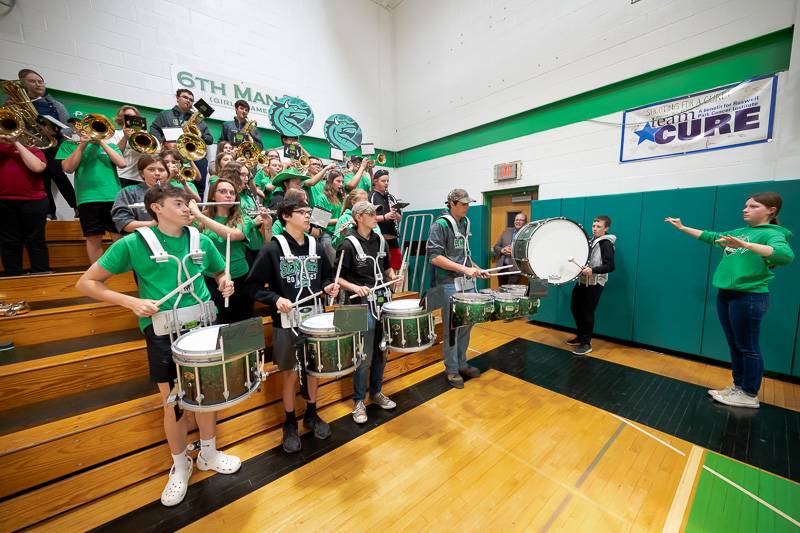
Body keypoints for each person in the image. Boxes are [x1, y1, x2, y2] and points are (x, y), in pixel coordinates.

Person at [76, 185, 240, 507]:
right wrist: (130, 302)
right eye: (178, 203)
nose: (187, 208)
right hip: (164, 331)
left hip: (204, 324)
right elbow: (86, 283)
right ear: (155, 208)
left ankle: (208, 453)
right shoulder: (135, 243)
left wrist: (224, 281)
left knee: (208, 395)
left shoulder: (201, 240)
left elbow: (220, 270)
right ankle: (180, 466)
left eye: (188, 203)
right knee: (173, 403)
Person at [666, 193, 794, 408]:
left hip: (750, 296)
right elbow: (710, 236)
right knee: (734, 344)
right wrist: (682, 227)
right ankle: (739, 387)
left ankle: (749, 394)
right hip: (727, 295)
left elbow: (784, 255)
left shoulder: (774, 233)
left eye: (753, 206)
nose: (746, 209)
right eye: (745, 205)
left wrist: (746, 245)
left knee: (748, 346)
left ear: (771, 210)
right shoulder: (739, 232)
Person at [245, 198, 339, 453]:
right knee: (288, 373)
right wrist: (275, 299)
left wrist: (328, 285)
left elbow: (327, 276)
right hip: (286, 323)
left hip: (314, 319)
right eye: (302, 212)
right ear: (285, 216)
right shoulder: (272, 249)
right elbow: (252, 287)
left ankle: (311, 412)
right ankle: (289, 422)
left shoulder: (316, 245)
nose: (308, 215)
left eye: (309, 211)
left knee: (314, 370)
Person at [336, 201, 399, 424]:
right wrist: (355, 287)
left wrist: (392, 276)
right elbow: (337, 279)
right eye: (372, 214)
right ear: (360, 217)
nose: (376, 217)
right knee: (363, 355)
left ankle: (376, 392)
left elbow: (386, 266)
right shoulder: (347, 244)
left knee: (382, 349)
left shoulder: (380, 239)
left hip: (381, 300)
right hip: (357, 305)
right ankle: (358, 401)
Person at [427, 188, 489, 389]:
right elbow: (435, 257)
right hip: (447, 283)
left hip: (466, 281)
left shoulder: (465, 222)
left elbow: (464, 254)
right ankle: (452, 369)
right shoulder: (440, 225)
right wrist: (464, 269)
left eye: (468, 203)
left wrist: (477, 269)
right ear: (452, 203)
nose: (467, 207)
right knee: (452, 329)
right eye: (463, 204)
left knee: (468, 323)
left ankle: (462, 363)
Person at [190, 177, 267, 323]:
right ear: (212, 195)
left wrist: (200, 215)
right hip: (210, 277)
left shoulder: (242, 218)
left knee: (242, 321)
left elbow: (234, 235)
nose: (228, 195)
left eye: (232, 193)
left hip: (240, 277)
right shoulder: (197, 221)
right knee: (217, 322)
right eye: (223, 191)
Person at [57, 122, 126, 263]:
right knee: (93, 237)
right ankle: (97, 272)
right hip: (87, 198)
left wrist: (101, 141)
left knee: (118, 235)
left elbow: (121, 163)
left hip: (113, 196)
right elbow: (68, 168)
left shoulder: (111, 146)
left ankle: (122, 270)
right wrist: (81, 145)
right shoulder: (69, 145)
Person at [16, 69, 77, 220]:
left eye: (40, 81)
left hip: (53, 147)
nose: (38, 84)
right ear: (24, 84)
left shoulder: (56, 105)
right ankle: (50, 212)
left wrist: (57, 133)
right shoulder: (18, 105)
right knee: (42, 179)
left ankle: (76, 206)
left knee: (58, 174)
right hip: (32, 149)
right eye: (32, 81)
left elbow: (68, 128)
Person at [566, 216, 616, 356]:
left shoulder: (606, 243)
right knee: (575, 307)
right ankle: (581, 336)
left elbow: (610, 266)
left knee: (587, 311)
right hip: (583, 281)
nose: (595, 228)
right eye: (594, 225)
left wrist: (592, 270)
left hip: (595, 283)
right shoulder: (591, 240)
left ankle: (586, 343)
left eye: (598, 226)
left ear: (606, 228)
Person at [150, 89, 213, 197]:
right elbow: (154, 129)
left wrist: (198, 134)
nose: (188, 100)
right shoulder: (165, 114)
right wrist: (162, 143)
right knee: (167, 183)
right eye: (185, 97)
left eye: (191, 99)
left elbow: (210, 139)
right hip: (172, 155)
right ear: (177, 98)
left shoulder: (199, 121)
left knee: (199, 187)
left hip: (193, 157)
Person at [0, 135, 49, 275]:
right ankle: (13, 277)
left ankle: (41, 274)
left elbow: (38, 167)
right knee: (9, 242)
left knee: (36, 240)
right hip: (3, 201)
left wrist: (16, 143)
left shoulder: (33, 150)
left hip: (34, 201)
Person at [111, 155, 167, 234]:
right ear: (142, 173)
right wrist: (152, 224)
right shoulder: (128, 192)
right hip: (139, 239)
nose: (157, 173)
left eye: (161, 170)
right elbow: (124, 223)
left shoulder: (175, 193)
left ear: (167, 173)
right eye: (151, 169)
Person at [111, 105, 156, 188]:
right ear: (120, 118)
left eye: (132, 116)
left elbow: (155, 153)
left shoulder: (147, 136)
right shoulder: (114, 134)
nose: (129, 118)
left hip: (141, 178)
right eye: (125, 116)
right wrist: (125, 137)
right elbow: (115, 154)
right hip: (120, 176)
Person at [369, 169, 402, 271]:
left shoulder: (391, 197)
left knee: (396, 267)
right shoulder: (370, 196)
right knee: (380, 268)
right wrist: (384, 217)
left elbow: (399, 219)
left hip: (393, 238)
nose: (386, 183)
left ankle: (394, 287)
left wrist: (394, 213)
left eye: (387, 181)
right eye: (383, 181)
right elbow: (368, 218)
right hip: (378, 238)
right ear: (375, 181)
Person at [309, 170, 344, 265]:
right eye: (338, 181)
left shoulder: (340, 197)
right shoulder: (322, 198)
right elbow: (318, 221)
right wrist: (339, 220)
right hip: (327, 234)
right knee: (333, 264)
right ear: (330, 182)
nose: (341, 184)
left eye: (342, 182)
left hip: (339, 232)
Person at [492, 212, 528, 286]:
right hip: (502, 268)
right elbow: (496, 246)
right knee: (502, 290)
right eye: (516, 220)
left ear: (525, 222)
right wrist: (502, 250)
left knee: (511, 292)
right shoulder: (506, 232)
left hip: (516, 269)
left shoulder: (527, 234)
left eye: (521, 220)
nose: (518, 221)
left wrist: (513, 251)